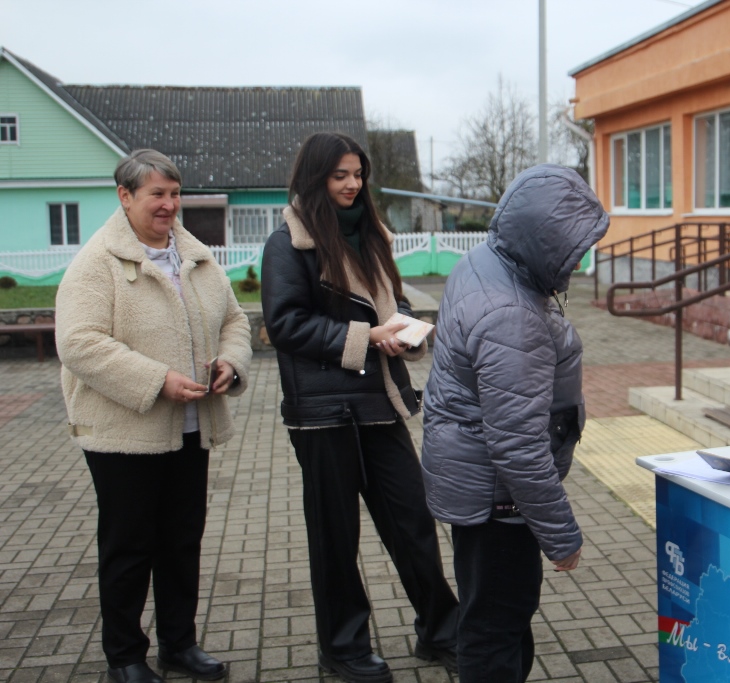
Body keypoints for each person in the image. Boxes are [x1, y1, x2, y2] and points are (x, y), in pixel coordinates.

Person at [260, 132, 458, 683]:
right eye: (340, 175)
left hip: (381, 403)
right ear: (315, 178)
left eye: (358, 174)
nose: (352, 184)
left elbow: (388, 308)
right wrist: (366, 338)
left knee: (414, 521)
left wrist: (408, 331)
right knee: (335, 536)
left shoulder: (373, 239)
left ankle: (442, 629)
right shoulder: (288, 245)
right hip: (322, 415)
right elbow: (285, 324)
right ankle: (343, 647)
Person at [55, 149, 252, 683]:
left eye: (174, 193)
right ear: (125, 197)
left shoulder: (195, 255)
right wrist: (156, 380)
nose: (169, 205)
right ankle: (125, 655)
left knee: (182, 540)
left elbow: (235, 320)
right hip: (125, 435)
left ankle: (179, 644)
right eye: (156, 195)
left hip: (191, 429)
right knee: (129, 545)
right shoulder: (97, 262)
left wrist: (230, 365)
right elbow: (78, 343)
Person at [420, 164, 610, 683]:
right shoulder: (511, 313)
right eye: (575, 245)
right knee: (495, 625)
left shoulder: (487, 262)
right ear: (544, 238)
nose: (582, 256)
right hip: (497, 499)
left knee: (495, 614)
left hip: (477, 483)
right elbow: (519, 446)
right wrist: (562, 537)